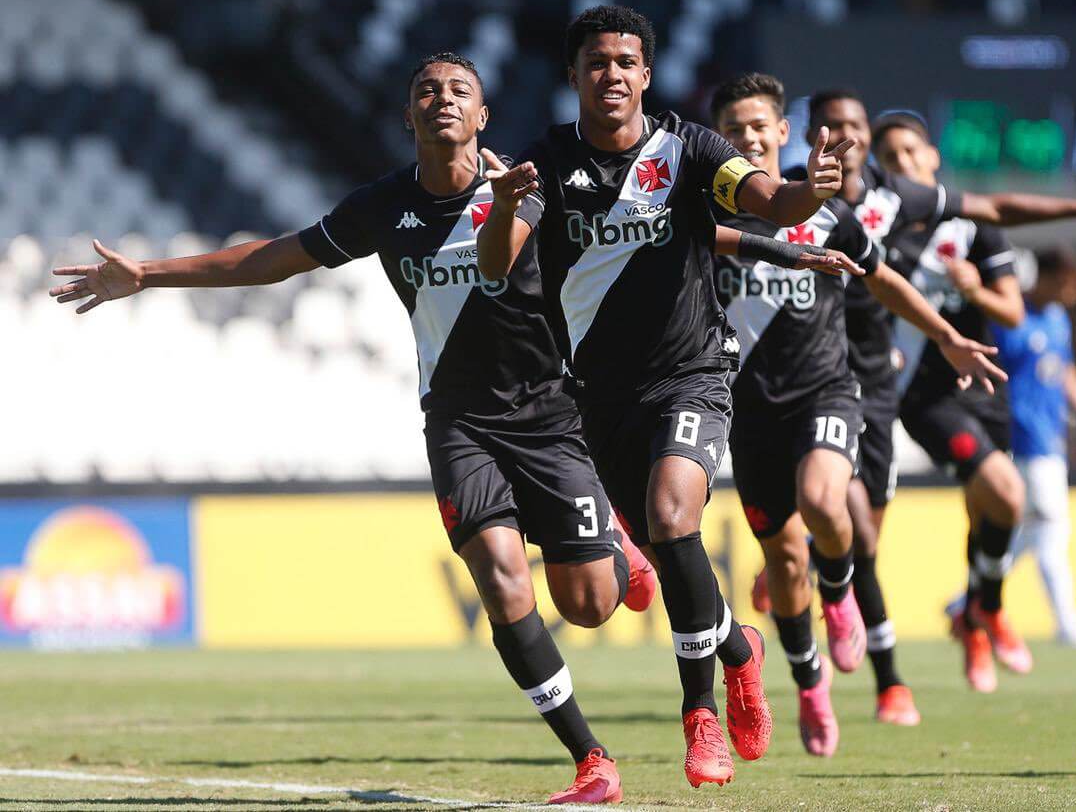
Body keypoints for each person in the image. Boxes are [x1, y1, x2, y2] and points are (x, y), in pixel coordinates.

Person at [48, 52, 657, 806]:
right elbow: (270, 260)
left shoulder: (524, 186)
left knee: (592, 605)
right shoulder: (382, 206)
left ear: (482, 116)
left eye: (458, 91)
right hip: (460, 422)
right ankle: (591, 759)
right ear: (408, 117)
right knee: (501, 580)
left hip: (548, 417)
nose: (441, 100)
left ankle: (618, 545)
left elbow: (569, 255)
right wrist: (149, 273)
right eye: (426, 91)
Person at [476, 6, 858, 788]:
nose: (611, 74)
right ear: (575, 76)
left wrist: (804, 196)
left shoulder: (688, 149)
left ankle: (702, 717)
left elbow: (763, 198)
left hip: (692, 374)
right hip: (597, 397)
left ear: (646, 74)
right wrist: (508, 204)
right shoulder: (544, 163)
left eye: (625, 61)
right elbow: (492, 264)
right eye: (596, 62)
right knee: (670, 554)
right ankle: (741, 649)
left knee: (673, 518)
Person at [796, 91, 1076, 710]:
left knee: (991, 509)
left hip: (980, 381)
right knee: (977, 501)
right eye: (892, 154)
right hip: (902, 391)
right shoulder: (872, 224)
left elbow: (1012, 296)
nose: (903, 160)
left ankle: (978, 614)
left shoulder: (963, 222)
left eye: (911, 149)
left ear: (934, 157)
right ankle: (886, 664)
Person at [707, 73, 1005, 756]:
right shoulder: (704, 214)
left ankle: (838, 590)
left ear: (782, 133)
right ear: (716, 140)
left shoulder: (821, 206)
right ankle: (810, 685)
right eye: (734, 129)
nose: (748, 138)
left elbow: (884, 281)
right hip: (748, 411)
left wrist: (947, 335)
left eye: (760, 127)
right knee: (781, 562)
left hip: (826, 391)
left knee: (825, 500)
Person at [996, 243, 1076, 648]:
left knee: (1028, 532)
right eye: (1067, 284)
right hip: (1023, 437)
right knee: (1050, 527)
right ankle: (1067, 624)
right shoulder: (1010, 317)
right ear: (1049, 277)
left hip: (1051, 437)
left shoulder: (1057, 319)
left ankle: (967, 601)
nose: (1072, 293)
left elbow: (1066, 371)